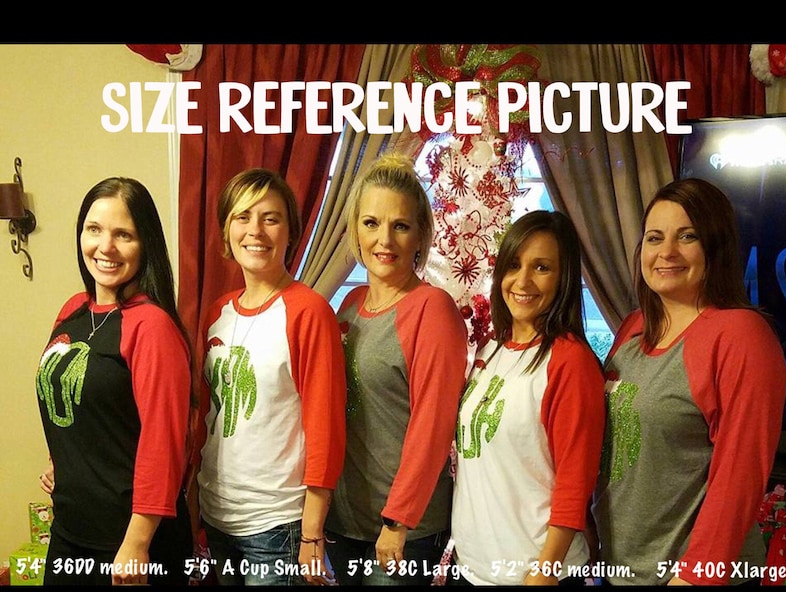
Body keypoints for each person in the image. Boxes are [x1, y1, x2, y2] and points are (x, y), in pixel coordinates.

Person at [592, 177, 786, 585]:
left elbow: (740, 476)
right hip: (620, 569)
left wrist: (695, 576)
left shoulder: (741, 335)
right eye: (654, 238)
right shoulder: (633, 327)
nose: (667, 252)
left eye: (687, 236)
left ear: (715, 246)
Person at [187, 168, 347, 586]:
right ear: (226, 231)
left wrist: (312, 534)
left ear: (290, 232)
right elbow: (208, 418)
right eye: (242, 217)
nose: (255, 230)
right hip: (218, 517)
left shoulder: (308, 311)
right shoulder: (218, 312)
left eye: (270, 218)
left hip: (277, 527)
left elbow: (326, 429)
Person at [36, 177, 193, 586]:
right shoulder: (73, 310)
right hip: (70, 527)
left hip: (130, 540)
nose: (105, 247)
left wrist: (137, 543)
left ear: (145, 244)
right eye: (94, 229)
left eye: (123, 234)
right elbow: (76, 400)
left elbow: (165, 444)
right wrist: (62, 459)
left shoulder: (152, 325)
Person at [324, 153, 469, 585]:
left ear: (420, 234)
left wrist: (399, 519)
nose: (384, 239)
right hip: (345, 519)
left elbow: (433, 426)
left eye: (400, 226)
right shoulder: (350, 307)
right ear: (355, 229)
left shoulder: (432, 309)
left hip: (404, 528)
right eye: (371, 223)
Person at [448, 210, 605, 586]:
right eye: (514, 265)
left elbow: (575, 480)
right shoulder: (490, 349)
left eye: (542, 268)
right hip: (472, 567)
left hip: (535, 572)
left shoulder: (570, 360)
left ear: (563, 278)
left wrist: (544, 571)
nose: (522, 281)